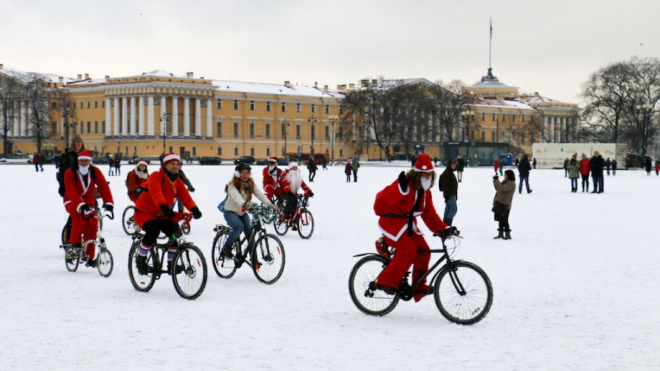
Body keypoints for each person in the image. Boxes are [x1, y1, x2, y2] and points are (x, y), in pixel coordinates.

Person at [373, 154, 453, 303]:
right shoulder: (405, 184)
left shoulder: (425, 192)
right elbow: (384, 199)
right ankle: (386, 282)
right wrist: (400, 189)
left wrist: (443, 229)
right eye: (425, 173)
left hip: (407, 224)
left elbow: (429, 214)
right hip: (392, 222)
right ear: (417, 174)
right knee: (408, 250)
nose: (428, 176)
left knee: (424, 250)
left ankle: (419, 286)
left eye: (430, 173)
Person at [133, 152, 202, 275]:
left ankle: (172, 264)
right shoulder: (156, 176)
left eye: (177, 164)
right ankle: (141, 258)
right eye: (172, 164)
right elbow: (156, 193)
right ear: (165, 165)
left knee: (175, 234)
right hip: (144, 213)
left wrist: (194, 209)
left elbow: (185, 197)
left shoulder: (177, 181)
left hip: (162, 214)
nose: (175, 166)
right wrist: (165, 207)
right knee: (153, 231)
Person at [63, 150, 114, 267]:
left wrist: (109, 202)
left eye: (86, 161)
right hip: (71, 199)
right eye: (82, 161)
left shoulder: (95, 171)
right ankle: (75, 244)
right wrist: (80, 205)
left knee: (92, 224)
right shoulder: (70, 172)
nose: (84, 163)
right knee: (78, 218)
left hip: (89, 200)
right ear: (78, 161)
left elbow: (103, 186)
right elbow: (71, 190)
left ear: (90, 162)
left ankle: (90, 256)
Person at [219, 163, 278, 258]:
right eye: (243, 172)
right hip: (230, 212)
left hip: (242, 213)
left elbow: (259, 194)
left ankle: (254, 260)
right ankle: (225, 249)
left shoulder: (251, 184)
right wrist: (244, 204)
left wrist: (270, 204)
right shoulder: (232, 185)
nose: (245, 175)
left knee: (250, 233)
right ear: (237, 174)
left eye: (247, 173)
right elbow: (236, 196)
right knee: (239, 227)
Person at [279, 162, 313, 231]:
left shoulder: (298, 176)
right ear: (291, 168)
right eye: (294, 167)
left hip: (293, 193)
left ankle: (294, 223)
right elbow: (285, 184)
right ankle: (284, 215)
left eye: (296, 167)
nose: (296, 169)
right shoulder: (286, 175)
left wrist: (309, 191)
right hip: (284, 192)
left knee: (296, 208)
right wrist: (288, 190)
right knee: (291, 200)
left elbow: (303, 184)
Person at [492, 170, 516, 240]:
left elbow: (501, 188)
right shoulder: (506, 182)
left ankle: (507, 235)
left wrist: (496, 180)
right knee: (500, 219)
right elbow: (498, 188)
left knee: (505, 220)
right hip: (500, 203)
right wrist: (495, 180)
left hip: (505, 204)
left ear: (509, 175)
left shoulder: (511, 183)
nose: (504, 176)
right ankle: (500, 234)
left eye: (505, 175)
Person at [438, 158, 458, 226]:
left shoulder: (450, 172)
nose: (454, 165)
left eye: (455, 164)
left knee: (448, 209)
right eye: (453, 164)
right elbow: (445, 186)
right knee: (453, 209)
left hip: (451, 195)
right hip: (450, 195)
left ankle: (444, 224)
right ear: (449, 165)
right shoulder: (447, 173)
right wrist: (447, 196)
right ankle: (448, 223)